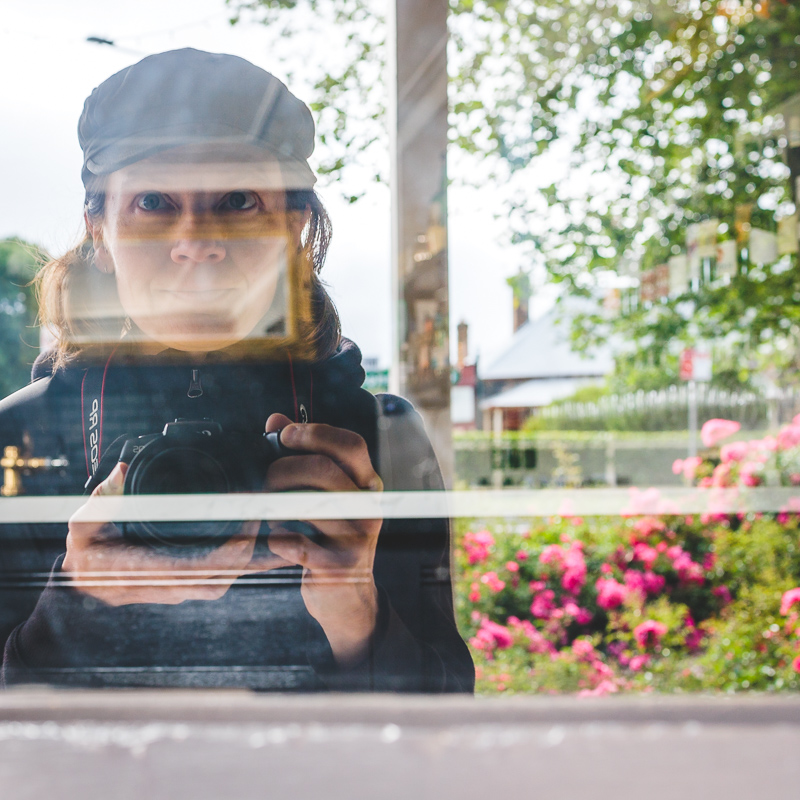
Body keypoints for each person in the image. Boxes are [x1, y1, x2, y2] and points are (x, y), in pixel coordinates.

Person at [0, 48, 474, 692]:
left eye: (238, 197)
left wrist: (355, 611)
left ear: (295, 229)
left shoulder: (377, 435)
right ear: (100, 233)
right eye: (154, 201)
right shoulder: (19, 442)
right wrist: (75, 602)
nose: (196, 239)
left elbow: (443, 737)